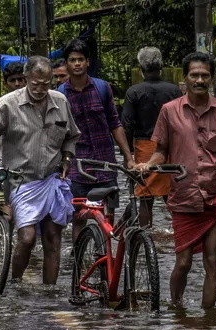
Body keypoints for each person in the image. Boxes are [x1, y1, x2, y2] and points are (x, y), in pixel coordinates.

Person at [137, 52, 216, 309]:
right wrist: (149, 165)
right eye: (194, 75)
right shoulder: (169, 111)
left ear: (212, 78)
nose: (199, 80)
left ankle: (208, 319)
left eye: (204, 75)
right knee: (183, 262)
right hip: (184, 197)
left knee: (212, 259)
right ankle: (176, 310)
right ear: (185, 78)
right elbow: (161, 150)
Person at [0, 56, 80, 285]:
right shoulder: (7, 104)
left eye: (46, 84)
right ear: (26, 78)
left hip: (52, 178)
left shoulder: (60, 101)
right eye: (35, 84)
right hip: (19, 181)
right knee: (27, 237)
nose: (40, 89)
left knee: (53, 238)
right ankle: (15, 282)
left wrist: (67, 158)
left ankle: (49, 291)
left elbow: (71, 136)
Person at [57, 38, 134, 230]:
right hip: (77, 166)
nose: (77, 64)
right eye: (73, 60)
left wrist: (128, 157)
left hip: (105, 162)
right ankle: (79, 249)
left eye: (81, 59)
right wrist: (61, 164)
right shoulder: (60, 95)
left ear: (88, 62)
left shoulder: (102, 88)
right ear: (67, 64)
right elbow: (58, 133)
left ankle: (106, 248)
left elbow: (115, 123)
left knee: (108, 216)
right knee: (78, 217)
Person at [121, 47, 182, 227]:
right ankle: (181, 230)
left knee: (145, 196)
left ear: (141, 68)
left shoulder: (134, 92)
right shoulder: (174, 91)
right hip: (170, 147)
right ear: (161, 66)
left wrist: (128, 155)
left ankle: (145, 234)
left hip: (144, 147)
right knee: (172, 194)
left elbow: (127, 125)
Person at [0, 62, 27, 165]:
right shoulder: (0, 108)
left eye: (20, 79)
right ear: (5, 84)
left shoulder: (36, 106)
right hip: (7, 168)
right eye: (12, 80)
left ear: (26, 81)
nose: (17, 84)